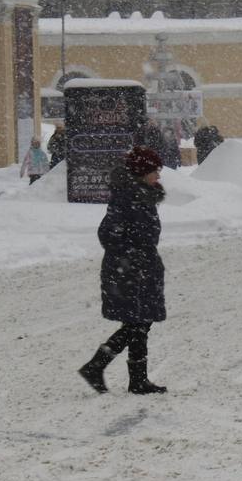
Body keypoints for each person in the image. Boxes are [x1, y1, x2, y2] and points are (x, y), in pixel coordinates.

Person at [78, 146, 168, 395]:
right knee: (137, 323)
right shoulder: (128, 197)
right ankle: (97, 366)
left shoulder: (141, 196)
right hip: (129, 270)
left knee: (140, 322)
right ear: (142, 172)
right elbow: (108, 233)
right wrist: (130, 257)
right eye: (154, 171)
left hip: (141, 268)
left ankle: (136, 379)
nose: (158, 176)